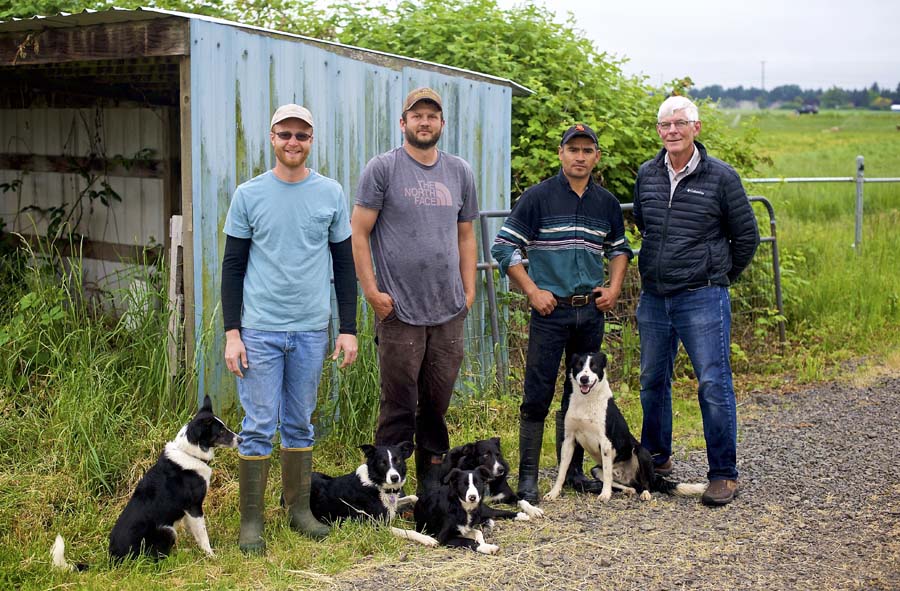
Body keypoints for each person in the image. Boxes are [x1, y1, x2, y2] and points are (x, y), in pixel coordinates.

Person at [221, 104, 358, 553]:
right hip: (259, 330)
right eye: (285, 134)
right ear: (272, 138)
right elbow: (233, 266)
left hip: (310, 330)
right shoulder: (249, 194)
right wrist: (232, 333)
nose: (293, 142)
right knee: (259, 424)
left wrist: (348, 328)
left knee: (300, 423)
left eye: (301, 135)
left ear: (311, 140)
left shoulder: (330, 193)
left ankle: (299, 511)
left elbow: (343, 263)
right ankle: (251, 523)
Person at [491, 124, 632, 503]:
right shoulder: (537, 198)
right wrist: (533, 291)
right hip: (550, 313)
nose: (580, 157)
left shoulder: (606, 203)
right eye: (574, 150)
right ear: (561, 153)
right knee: (537, 393)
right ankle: (528, 480)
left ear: (596, 157)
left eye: (588, 150)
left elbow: (619, 250)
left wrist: (614, 288)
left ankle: (569, 475)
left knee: (581, 394)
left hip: (589, 312)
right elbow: (503, 248)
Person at [633, 96, 759, 506]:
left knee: (712, 382)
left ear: (696, 128)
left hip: (702, 295)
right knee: (652, 380)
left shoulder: (721, 177)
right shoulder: (647, 174)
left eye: (680, 123)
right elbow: (646, 227)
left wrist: (717, 277)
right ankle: (656, 459)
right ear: (658, 131)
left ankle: (723, 473)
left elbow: (746, 238)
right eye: (665, 124)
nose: (672, 130)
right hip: (654, 297)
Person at [351, 87, 479, 495]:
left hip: (448, 310)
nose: (425, 122)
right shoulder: (383, 169)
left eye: (432, 116)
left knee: (437, 403)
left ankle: (431, 488)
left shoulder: (459, 171)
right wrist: (372, 291)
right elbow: (359, 231)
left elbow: (466, 235)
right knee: (399, 403)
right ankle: (384, 491)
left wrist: (469, 290)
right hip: (399, 311)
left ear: (442, 123)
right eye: (417, 115)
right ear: (403, 122)